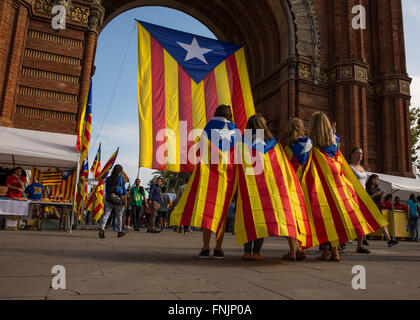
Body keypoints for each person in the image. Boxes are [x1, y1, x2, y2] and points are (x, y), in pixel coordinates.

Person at [301, 112, 389, 262]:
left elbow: (303, 160)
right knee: (335, 215)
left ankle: (327, 252)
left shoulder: (310, 144)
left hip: (319, 182)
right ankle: (334, 252)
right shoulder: (335, 140)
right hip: (335, 181)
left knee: (322, 216)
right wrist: (333, 133)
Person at [170, 105, 240, 259]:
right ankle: (219, 249)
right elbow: (239, 157)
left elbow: (199, 151)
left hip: (210, 177)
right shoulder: (237, 131)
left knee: (209, 212)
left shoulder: (208, 128)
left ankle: (205, 247)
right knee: (222, 214)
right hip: (227, 178)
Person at [280, 117, 313, 260]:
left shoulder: (283, 144)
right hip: (305, 185)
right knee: (303, 218)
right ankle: (302, 249)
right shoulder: (310, 144)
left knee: (290, 218)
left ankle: (293, 251)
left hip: (289, 185)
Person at [365, 174, 399, 247]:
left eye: (377, 179)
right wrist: (376, 194)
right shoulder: (367, 188)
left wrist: (381, 195)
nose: (376, 180)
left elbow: (380, 201)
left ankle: (389, 240)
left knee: (382, 224)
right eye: (375, 179)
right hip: (370, 207)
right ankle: (363, 239)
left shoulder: (378, 189)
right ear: (371, 180)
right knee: (366, 223)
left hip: (377, 207)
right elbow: (367, 198)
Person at [349, 147, 371, 252]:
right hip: (353, 196)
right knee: (350, 220)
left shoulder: (362, 168)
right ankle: (339, 243)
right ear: (352, 155)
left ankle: (359, 246)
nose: (360, 155)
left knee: (363, 221)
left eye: (361, 154)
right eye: (357, 153)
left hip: (363, 196)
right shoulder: (349, 167)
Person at [98, 164, 128, 238]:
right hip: (118, 199)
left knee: (106, 214)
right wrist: (125, 200)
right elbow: (124, 190)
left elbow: (107, 190)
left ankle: (102, 229)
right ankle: (119, 231)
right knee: (119, 216)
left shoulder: (108, 178)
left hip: (110, 198)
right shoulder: (121, 178)